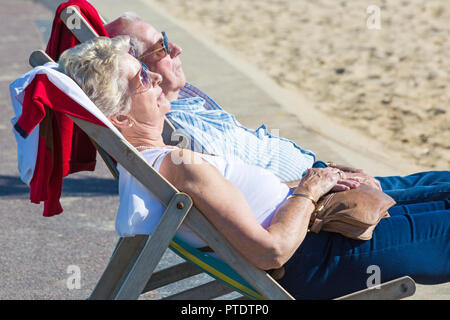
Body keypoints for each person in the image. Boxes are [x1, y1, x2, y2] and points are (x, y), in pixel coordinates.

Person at [58, 36, 449, 299]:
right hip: (321, 255)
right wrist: (309, 190)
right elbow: (271, 253)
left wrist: (322, 180)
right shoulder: (179, 165)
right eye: (142, 77)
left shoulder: (162, 163)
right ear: (121, 118)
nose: (157, 76)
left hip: (322, 232)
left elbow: (247, 204)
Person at [103, 13, 450, 206]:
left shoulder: (182, 101)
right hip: (321, 204)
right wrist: (323, 182)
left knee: (437, 181)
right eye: (162, 47)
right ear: (139, 73)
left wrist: (326, 170)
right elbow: (234, 194)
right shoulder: (176, 135)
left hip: (322, 179)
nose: (177, 48)